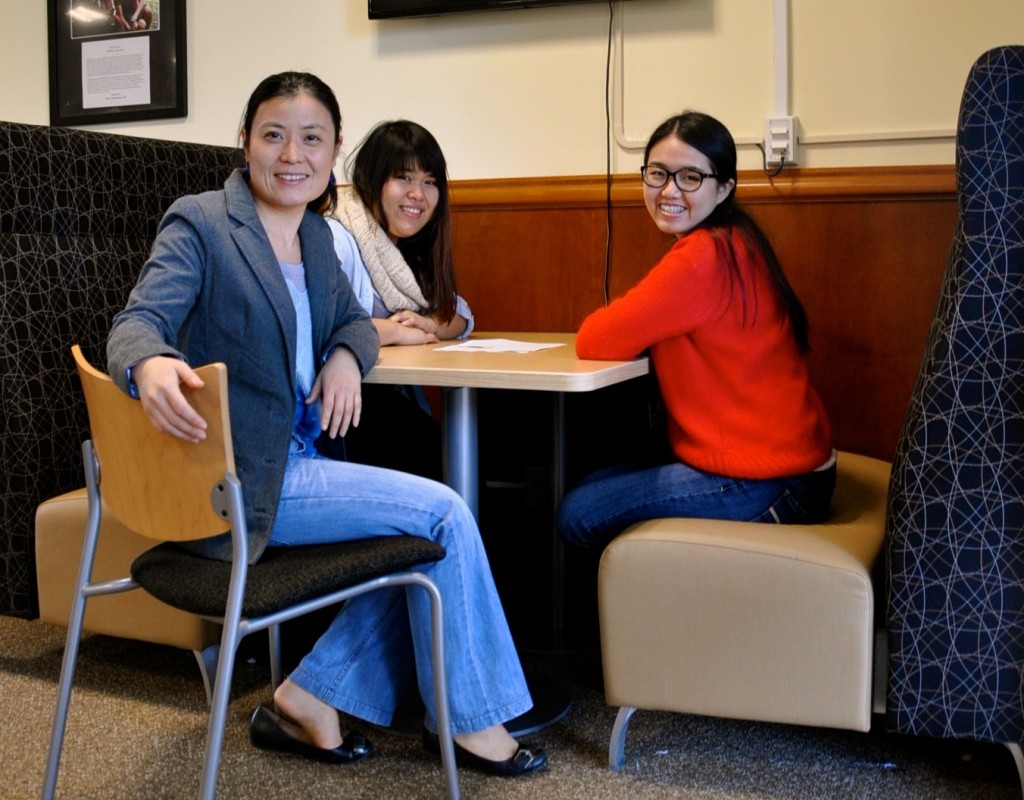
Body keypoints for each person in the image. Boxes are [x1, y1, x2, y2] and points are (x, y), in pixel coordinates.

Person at [107, 71, 547, 777]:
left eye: (312, 139)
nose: (292, 155)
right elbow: (137, 322)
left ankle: (310, 694)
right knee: (445, 516)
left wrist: (347, 352)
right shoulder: (202, 221)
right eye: (274, 135)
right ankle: (471, 723)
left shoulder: (314, 236)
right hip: (238, 479)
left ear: (334, 150)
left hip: (292, 467)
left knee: (418, 542)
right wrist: (151, 364)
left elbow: (349, 319)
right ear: (244, 141)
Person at [556, 110, 835, 552]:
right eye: (657, 173)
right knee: (589, 479)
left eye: (690, 177)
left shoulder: (702, 257)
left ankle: (628, 619)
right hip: (794, 469)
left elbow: (595, 340)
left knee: (578, 512)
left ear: (724, 188)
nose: (669, 190)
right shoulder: (735, 240)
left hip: (771, 482)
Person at [326, 120, 473, 479]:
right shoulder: (337, 236)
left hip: (380, 404)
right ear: (372, 178)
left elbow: (462, 314)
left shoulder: (402, 251)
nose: (418, 194)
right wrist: (395, 332)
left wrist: (430, 324)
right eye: (404, 178)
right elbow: (319, 327)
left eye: (429, 182)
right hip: (337, 412)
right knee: (449, 462)